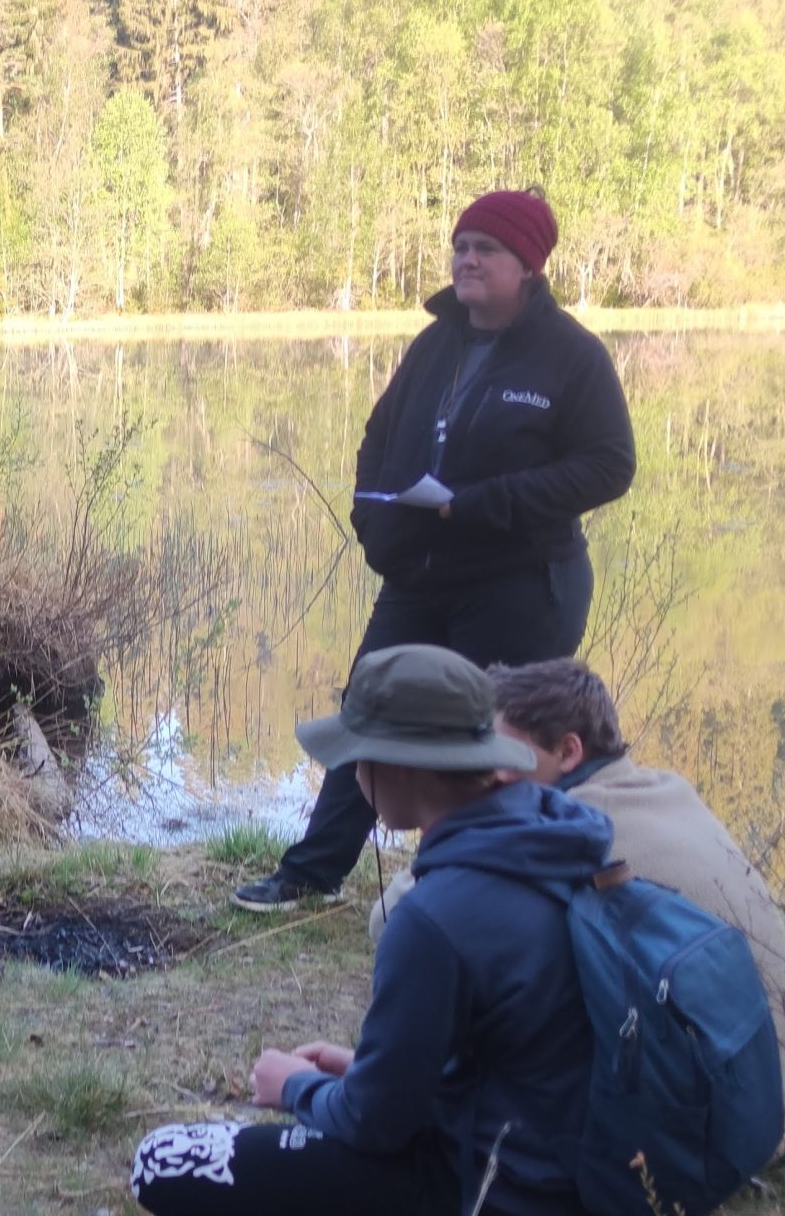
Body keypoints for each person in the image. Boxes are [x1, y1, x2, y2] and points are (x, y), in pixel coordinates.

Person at [135, 646, 627, 1216]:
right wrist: (363, 1067)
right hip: (574, 1183)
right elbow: (511, 1046)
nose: (350, 773)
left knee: (162, 1162)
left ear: (392, 768)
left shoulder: (435, 915)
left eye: (356, 757)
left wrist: (299, 1087)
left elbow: (376, 1127)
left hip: (499, 1202)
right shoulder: (553, 841)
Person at [234, 191, 636, 912]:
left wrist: (486, 502)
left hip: (522, 583)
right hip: (420, 575)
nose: (468, 260)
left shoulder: (571, 357)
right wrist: (371, 519)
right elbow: (379, 437)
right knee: (372, 711)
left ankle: (488, 881)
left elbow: (610, 466)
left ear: (528, 267)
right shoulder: (436, 343)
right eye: (461, 246)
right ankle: (311, 874)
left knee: (501, 741)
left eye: (487, 249)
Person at [371, 658, 785, 1116]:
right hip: (772, 1087)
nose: (488, 772)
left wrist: (453, 811)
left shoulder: (575, 832)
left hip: (707, 1129)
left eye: (501, 754)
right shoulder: (666, 789)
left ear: (567, 752)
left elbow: (391, 919)